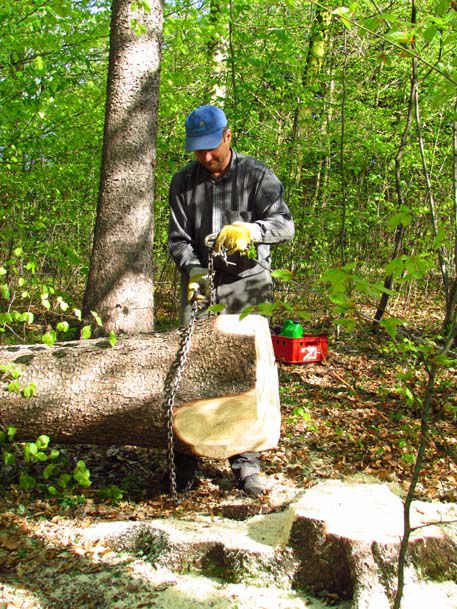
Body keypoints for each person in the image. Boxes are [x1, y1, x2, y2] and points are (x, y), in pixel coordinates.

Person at [167, 104, 294, 496]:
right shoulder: (183, 182)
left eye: (211, 148)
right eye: (197, 150)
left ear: (228, 136)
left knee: (246, 373)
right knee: (188, 369)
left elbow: (284, 226)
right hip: (203, 283)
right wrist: (193, 270)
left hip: (248, 283)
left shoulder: (257, 176)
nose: (206, 157)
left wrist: (251, 231)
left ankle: (245, 465)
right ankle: (184, 461)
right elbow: (178, 240)